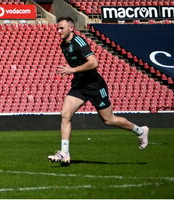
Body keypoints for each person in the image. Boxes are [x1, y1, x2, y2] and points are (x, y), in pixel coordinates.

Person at [48, 17, 149, 165]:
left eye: (61, 28)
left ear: (71, 28)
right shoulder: (63, 45)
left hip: (95, 86)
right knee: (65, 114)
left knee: (109, 120)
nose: (58, 31)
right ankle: (64, 153)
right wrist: (75, 73)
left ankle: (140, 131)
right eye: (57, 28)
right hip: (80, 85)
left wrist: (73, 70)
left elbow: (94, 63)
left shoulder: (79, 42)